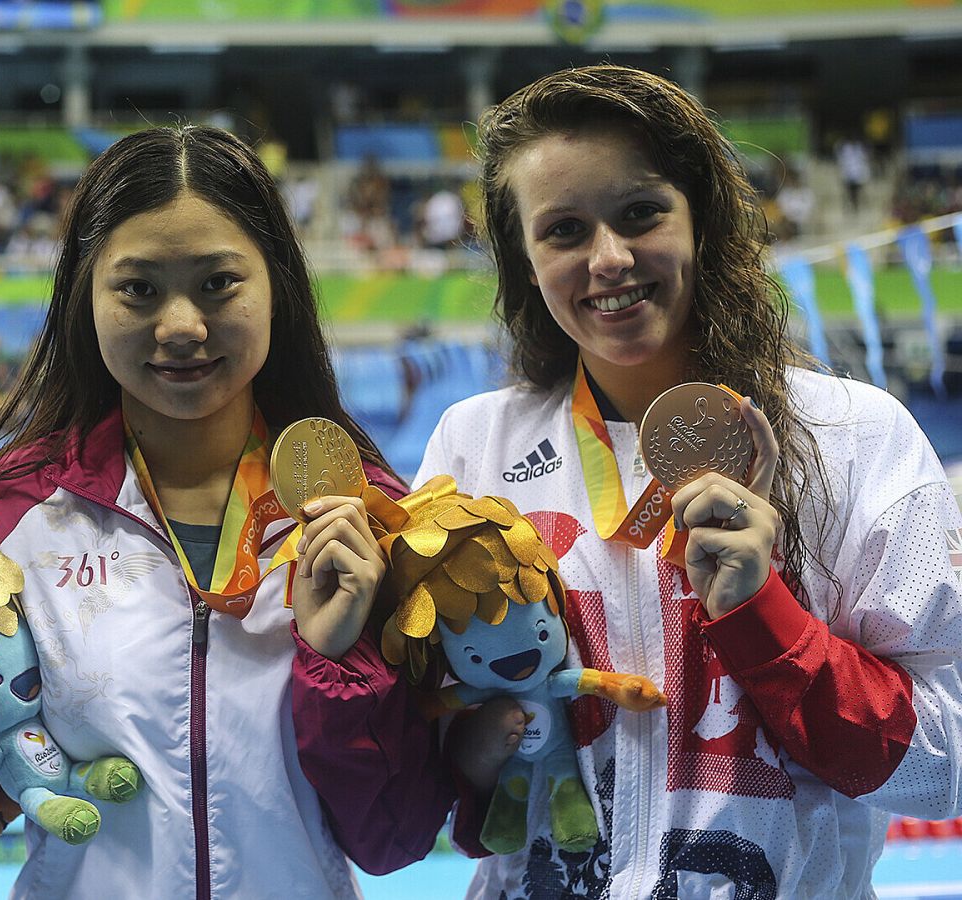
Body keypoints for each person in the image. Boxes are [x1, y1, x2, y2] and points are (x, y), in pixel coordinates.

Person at [343, 64, 962, 897]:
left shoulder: (853, 434)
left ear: (700, 221)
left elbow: (943, 768)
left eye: (640, 213)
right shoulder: (474, 445)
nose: (609, 258)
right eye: (563, 230)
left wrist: (765, 619)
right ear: (525, 263)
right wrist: (470, 740)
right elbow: (435, 772)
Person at [0, 124, 462, 898]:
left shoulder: (371, 519)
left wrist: (339, 662)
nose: (181, 326)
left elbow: (396, 839)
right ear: (86, 294)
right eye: (138, 288)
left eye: (217, 283)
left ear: (276, 285)